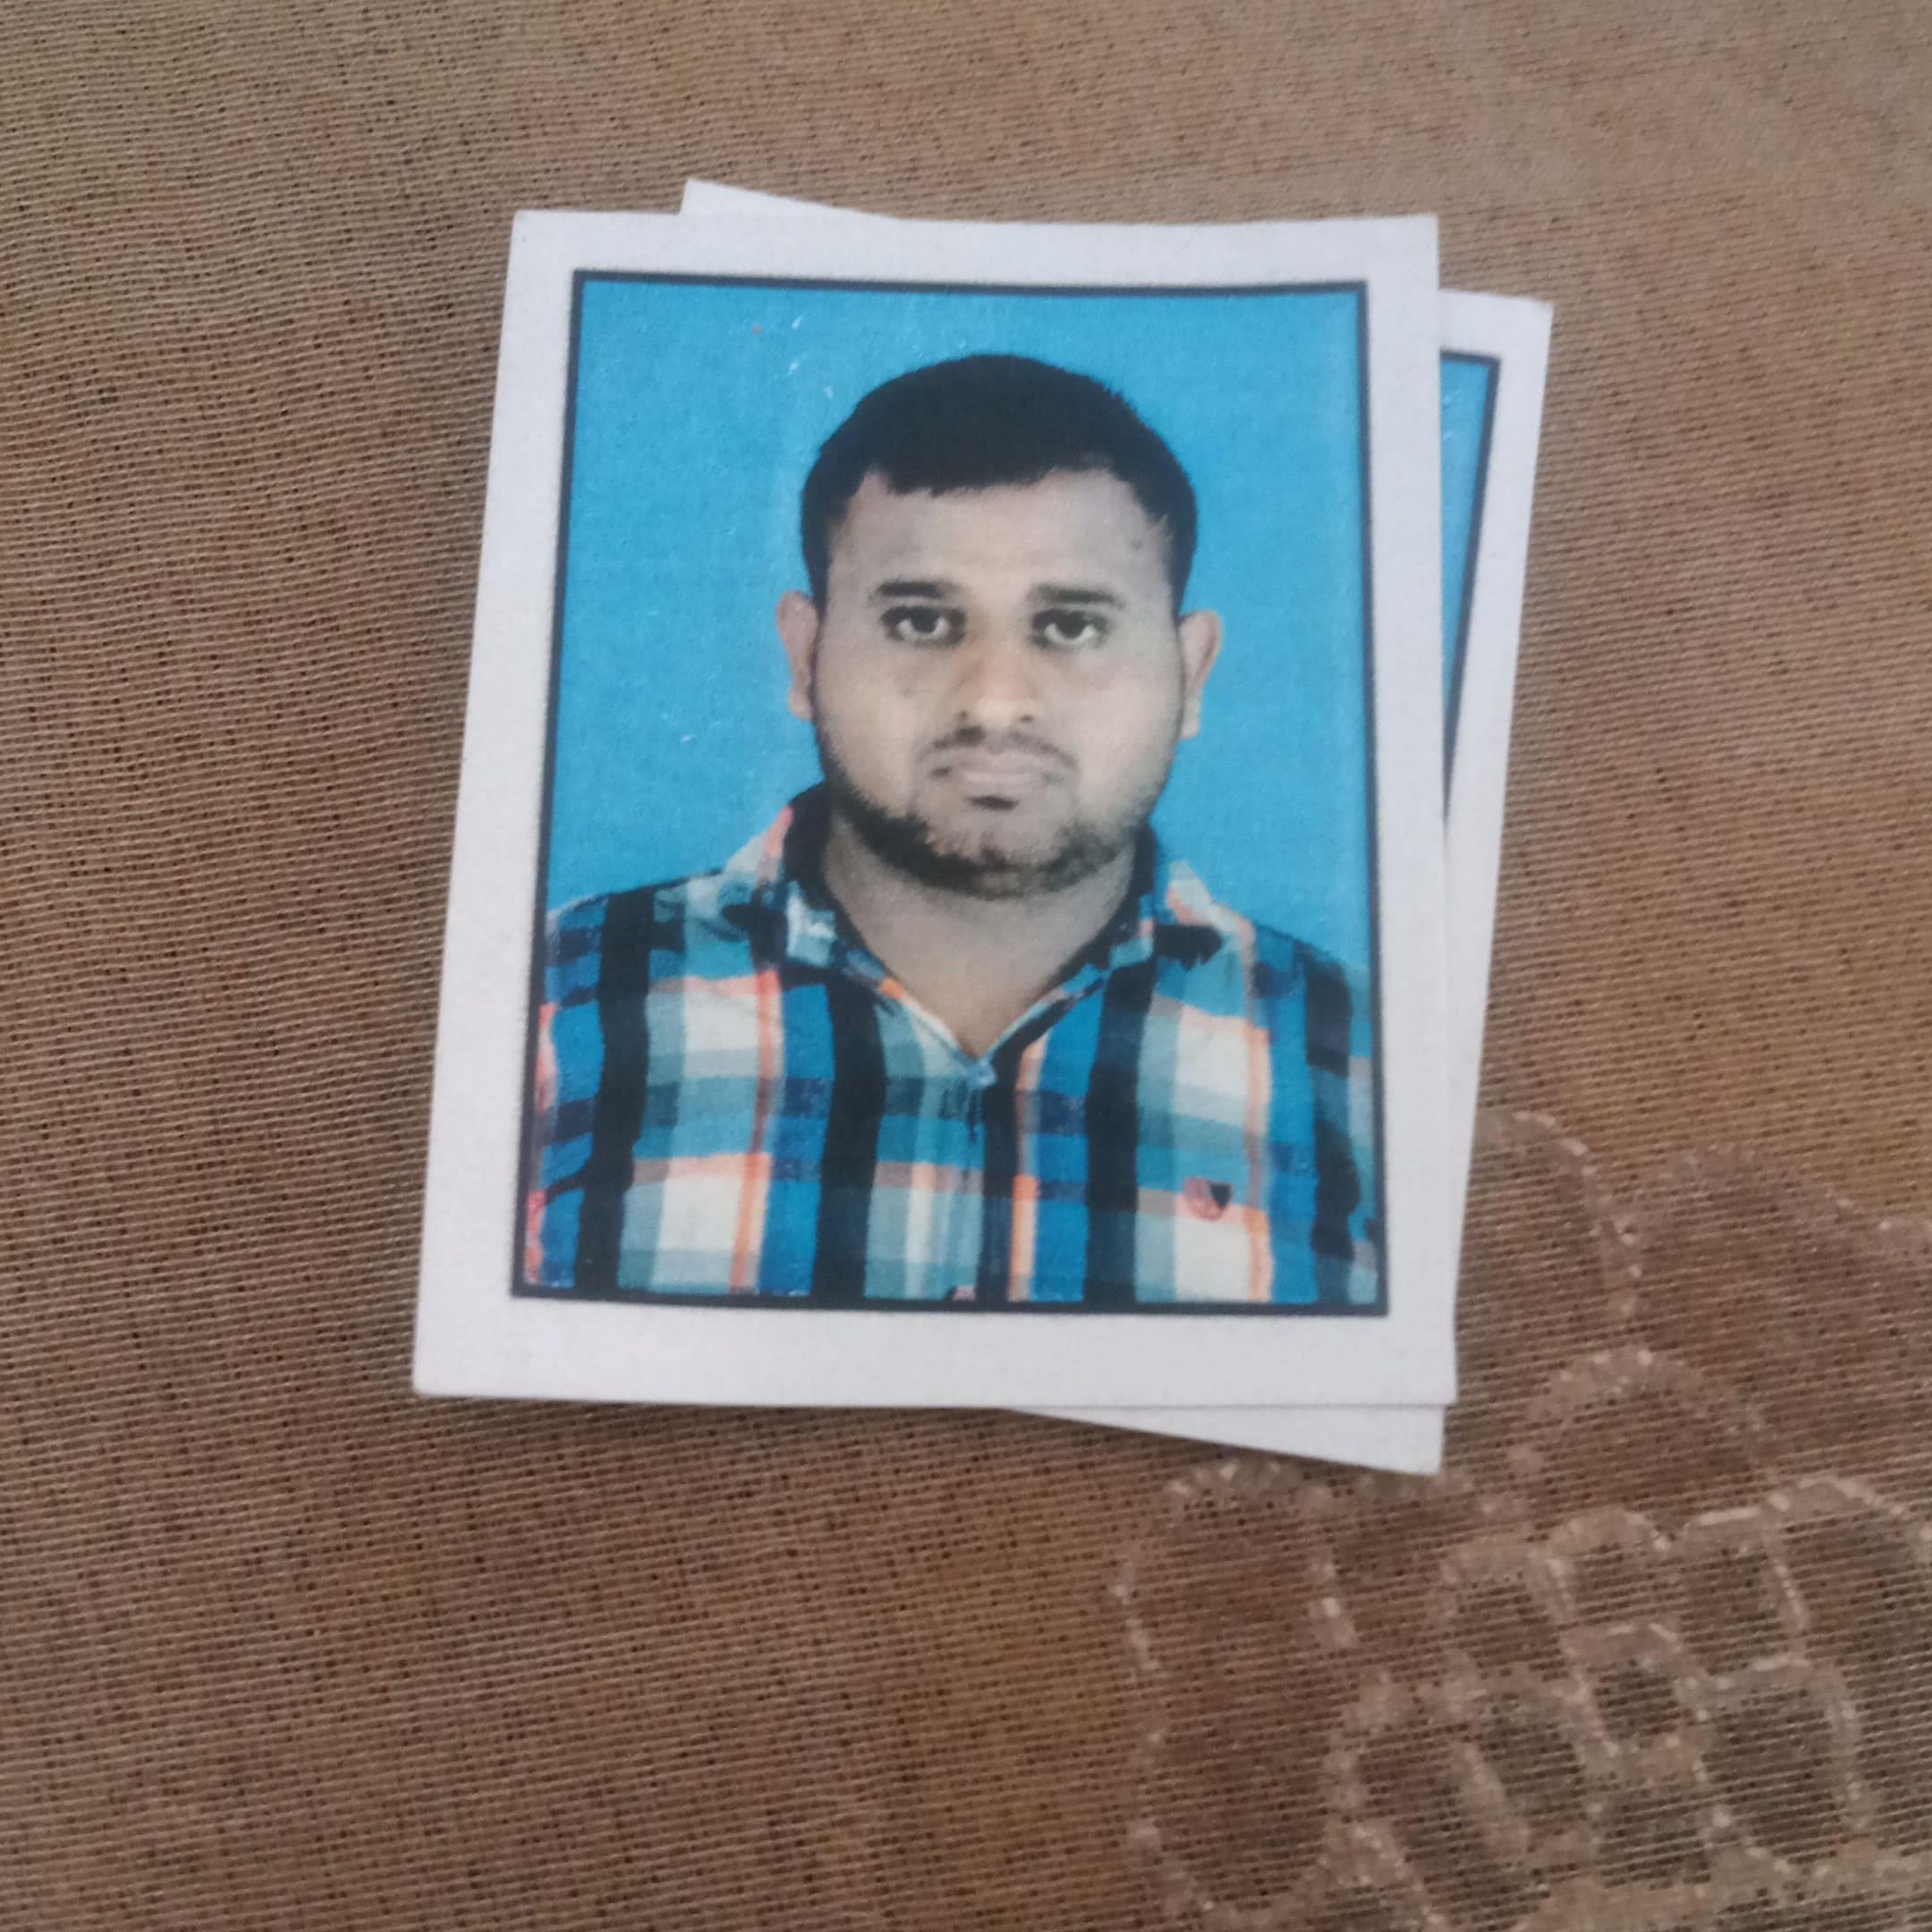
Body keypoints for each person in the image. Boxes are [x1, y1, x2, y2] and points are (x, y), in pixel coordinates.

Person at [524, 353, 1377, 1308]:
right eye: (922, 622)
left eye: (1073, 626)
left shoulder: (1366, 1064)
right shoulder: (547, 1006)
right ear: (805, 657)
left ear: (1192, 674)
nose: (997, 701)